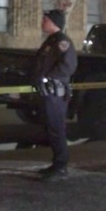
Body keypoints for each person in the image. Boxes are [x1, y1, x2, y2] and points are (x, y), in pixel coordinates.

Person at [33, 9, 77, 181]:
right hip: (48, 92)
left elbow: (68, 66)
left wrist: (48, 78)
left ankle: (61, 166)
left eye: (45, 20)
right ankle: (56, 163)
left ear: (53, 22)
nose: (42, 22)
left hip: (55, 92)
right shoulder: (51, 41)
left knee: (57, 129)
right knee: (51, 129)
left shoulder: (62, 42)